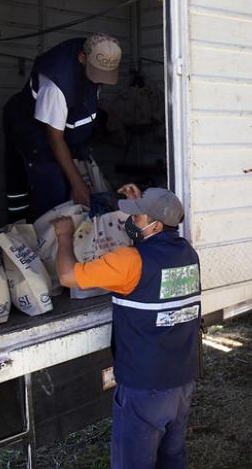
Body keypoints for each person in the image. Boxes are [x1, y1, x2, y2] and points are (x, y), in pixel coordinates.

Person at [52, 185, 201, 469]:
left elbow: (67, 275)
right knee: (172, 458)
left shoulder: (129, 262)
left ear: (155, 226)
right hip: (181, 381)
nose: (130, 221)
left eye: (137, 217)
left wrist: (64, 236)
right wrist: (139, 203)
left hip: (145, 388)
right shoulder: (187, 253)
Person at [4, 33, 122, 218]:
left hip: (62, 133)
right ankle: (44, 239)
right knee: (54, 187)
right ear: (82, 58)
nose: (100, 81)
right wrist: (77, 184)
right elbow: (55, 139)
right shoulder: (55, 85)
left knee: (77, 181)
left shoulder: (93, 54)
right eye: (97, 74)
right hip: (32, 129)